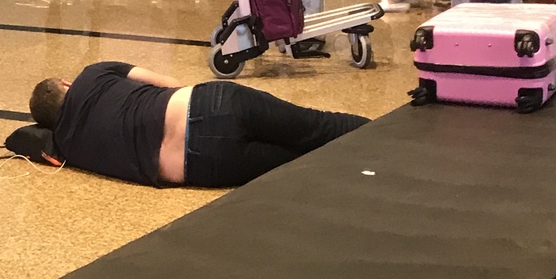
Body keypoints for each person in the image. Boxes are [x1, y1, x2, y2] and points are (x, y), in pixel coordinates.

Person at [28, 62, 370, 188]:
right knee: (319, 127)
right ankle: (392, 136)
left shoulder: (68, 148)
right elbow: (167, 83)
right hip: (210, 105)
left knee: (306, 163)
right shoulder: (93, 74)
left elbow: (23, 140)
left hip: (204, 165)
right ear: (67, 84)